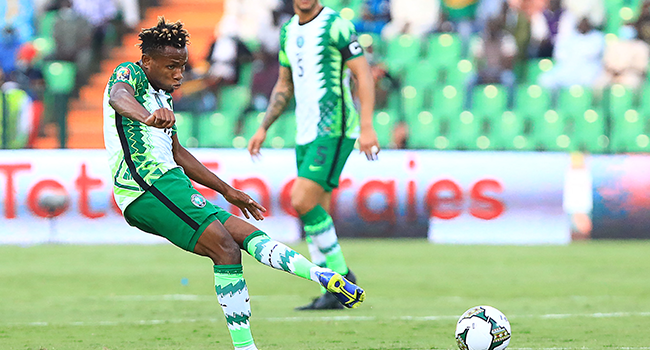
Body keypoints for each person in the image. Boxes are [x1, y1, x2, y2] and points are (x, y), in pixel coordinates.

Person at [103, 17, 365, 350]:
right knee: (225, 250)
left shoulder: (165, 97)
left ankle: (323, 276)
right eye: (171, 66)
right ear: (148, 61)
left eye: (182, 66)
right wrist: (146, 116)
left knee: (246, 234)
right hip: (145, 186)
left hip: (171, 183)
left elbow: (178, 152)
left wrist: (227, 190)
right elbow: (118, 97)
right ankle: (245, 347)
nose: (178, 74)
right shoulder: (130, 74)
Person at [247, 0, 380, 310]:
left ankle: (343, 278)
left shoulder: (337, 25)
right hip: (305, 133)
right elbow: (284, 84)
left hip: (334, 128)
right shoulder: (288, 32)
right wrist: (264, 126)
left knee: (301, 200)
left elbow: (363, 73)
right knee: (315, 210)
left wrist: (367, 126)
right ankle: (329, 289)